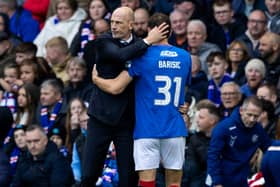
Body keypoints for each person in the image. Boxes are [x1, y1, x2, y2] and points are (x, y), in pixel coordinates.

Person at [92, 12, 192, 187]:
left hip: (147, 129)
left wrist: (96, 79)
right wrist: (183, 107)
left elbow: (116, 88)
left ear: (149, 30)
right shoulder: (185, 57)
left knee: (147, 182)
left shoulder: (142, 57)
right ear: (169, 32)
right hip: (175, 127)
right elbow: (184, 89)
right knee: (175, 183)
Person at [82, 6, 168, 187]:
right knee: (89, 174)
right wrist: (148, 41)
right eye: (112, 22)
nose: (113, 26)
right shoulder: (104, 41)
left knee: (128, 176)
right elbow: (120, 56)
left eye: (118, 23)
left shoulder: (141, 45)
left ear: (131, 25)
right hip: (101, 118)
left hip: (127, 121)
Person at [206, 96, 272, 187]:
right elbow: (213, 155)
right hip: (221, 178)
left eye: (256, 116)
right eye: (249, 114)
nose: (252, 119)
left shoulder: (258, 129)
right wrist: (216, 182)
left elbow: (270, 149)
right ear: (241, 111)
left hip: (242, 179)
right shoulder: (223, 128)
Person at [184, 99, 221, 187]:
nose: (197, 121)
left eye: (201, 118)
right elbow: (190, 168)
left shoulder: (223, 139)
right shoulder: (194, 139)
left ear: (212, 121)